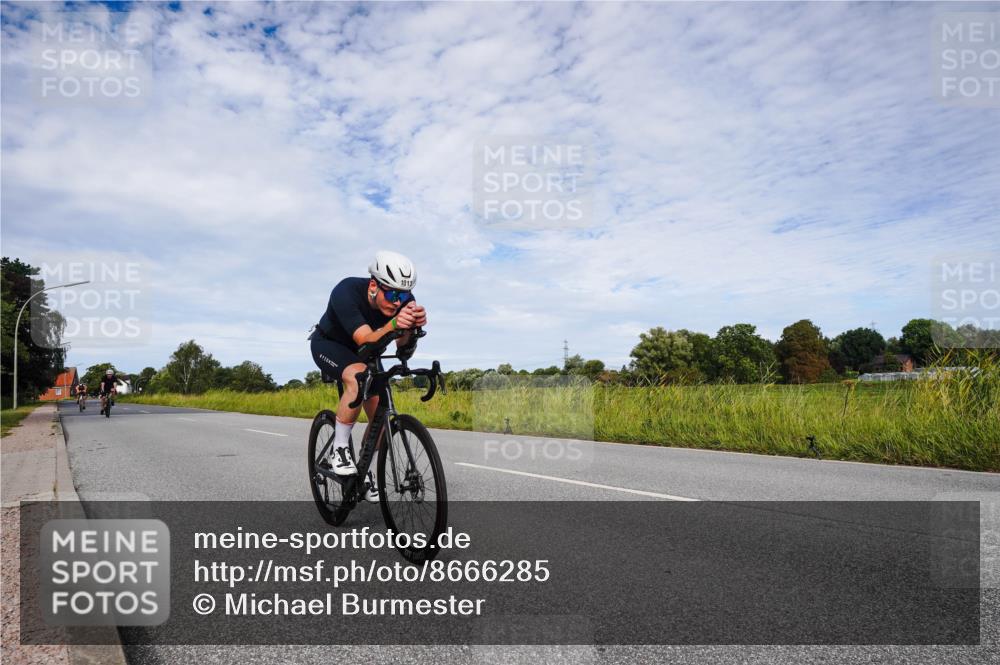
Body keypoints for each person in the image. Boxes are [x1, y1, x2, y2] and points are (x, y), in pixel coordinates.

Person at [310, 251, 427, 502]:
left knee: (381, 416)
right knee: (358, 375)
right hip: (330, 345)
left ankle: (365, 472)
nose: (398, 301)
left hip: (367, 353)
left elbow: (403, 350)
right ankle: (339, 449)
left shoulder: (405, 302)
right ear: (374, 285)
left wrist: (412, 330)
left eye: (404, 294)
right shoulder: (346, 291)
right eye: (393, 293)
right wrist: (395, 325)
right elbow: (364, 339)